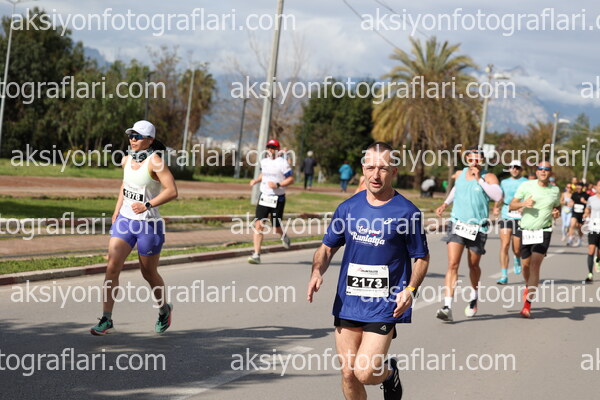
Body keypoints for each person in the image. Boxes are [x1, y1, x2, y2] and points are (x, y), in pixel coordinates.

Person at [308, 142, 429, 400]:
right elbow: (327, 248)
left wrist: (410, 290)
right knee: (348, 374)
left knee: (363, 373)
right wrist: (317, 271)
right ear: (363, 168)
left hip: (385, 305)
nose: (376, 174)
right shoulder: (348, 208)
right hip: (348, 302)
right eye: (371, 167)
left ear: (393, 171)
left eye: (383, 168)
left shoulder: (408, 213)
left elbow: (421, 258)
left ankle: (388, 373)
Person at [90, 120, 178, 335]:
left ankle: (164, 309)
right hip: (125, 221)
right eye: (131, 135)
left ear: (150, 140)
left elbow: (172, 191)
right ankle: (106, 319)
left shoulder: (155, 162)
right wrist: (116, 210)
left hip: (148, 224)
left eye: (137, 136)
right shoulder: (126, 159)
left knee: (148, 273)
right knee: (112, 267)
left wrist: (148, 204)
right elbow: (125, 184)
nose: (132, 139)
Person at [435, 146, 502, 321]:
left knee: (473, 265)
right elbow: (456, 190)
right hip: (457, 223)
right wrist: (445, 204)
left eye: (477, 158)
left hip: (477, 228)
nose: (474, 161)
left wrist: (480, 179)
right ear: (467, 160)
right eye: (471, 158)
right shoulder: (460, 174)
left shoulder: (489, 177)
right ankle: (447, 306)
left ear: (482, 160)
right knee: (452, 264)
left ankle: (473, 296)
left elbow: (497, 196)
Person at [509, 161, 560, 318]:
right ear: (537, 171)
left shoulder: (555, 190)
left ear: (550, 173)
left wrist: (556, 212)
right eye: (540, 169)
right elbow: (511, 205)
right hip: (526, 230)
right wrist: (524, 203)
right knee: (525, 265)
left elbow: (557, 206)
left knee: (535, 265)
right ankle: (528, 285)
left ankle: (527, 305)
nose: (543, 171)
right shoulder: (526, 186)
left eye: (547, 169)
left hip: (544, 231)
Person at [248, 139, 294, 264]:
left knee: (276, 227)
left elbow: (291, 179)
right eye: (268, 147)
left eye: (273, 147)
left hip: (278, 198)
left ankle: (283, 236)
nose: (270, 149)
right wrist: (256, 181)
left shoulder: (283, 163)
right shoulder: (264, 161)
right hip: (264, 196)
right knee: (259, 225)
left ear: (278, 149)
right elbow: (264, 174)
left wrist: (278, 185)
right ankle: (256, 254)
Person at [493, 160, 528, 285]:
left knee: (517, 249)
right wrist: (496, 207)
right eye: (512, 167)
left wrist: (523, 206)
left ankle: (517, 257)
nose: (514, 169)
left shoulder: (526, 182)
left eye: (517, 167)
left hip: (520, 216)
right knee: (505, 244)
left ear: (521, 169)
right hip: (506, 213)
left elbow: (530, 197)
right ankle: (504, 275)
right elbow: (500, 196)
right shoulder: (504, 182)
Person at [583, 180, 600, 283]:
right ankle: (590, 274)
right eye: (599, 185)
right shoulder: (591, 199)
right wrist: (585, 214)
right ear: (596, 187)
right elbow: (587, 209)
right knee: (591, 250)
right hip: (593, 228)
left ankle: (598, 260)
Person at [567, 182, 588, 246]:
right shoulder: (574, 194)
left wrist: (584, 201)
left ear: (583, 187)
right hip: (575, 212)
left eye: (580, 186)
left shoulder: (586, 195)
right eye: (578, 186)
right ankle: (570, 239)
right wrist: (571, 203)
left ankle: (580, 239)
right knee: (572, 224)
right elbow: (571, 201)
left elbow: (589, 204)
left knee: (580, 227)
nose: (579, 187)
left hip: (582, 214)